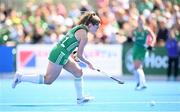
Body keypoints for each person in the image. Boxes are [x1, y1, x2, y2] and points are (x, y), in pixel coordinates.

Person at [12, 12, 101, 104]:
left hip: (61, 52)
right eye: (97, 27)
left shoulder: (79, 27)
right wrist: (90, 64)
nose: (97, 29)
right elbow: (80, 56)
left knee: (78, 72)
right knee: (48, 80)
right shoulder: (85, 36)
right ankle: (21, 77)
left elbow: (70, 44)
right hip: (60, 55)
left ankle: (80, 98)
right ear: (90, 25)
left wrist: (73, 52)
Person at [130, 15, 156, 90]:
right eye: (139, 20)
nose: (140, 21)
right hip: (136, 49)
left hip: (143, 50)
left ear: (144, 21)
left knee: (139, 67)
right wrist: (133, 38)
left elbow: (153, 37)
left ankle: (143, 83)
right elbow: (131, 35)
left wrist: (151, 44)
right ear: (137, 21)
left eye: (141, 20)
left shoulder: (146, 30)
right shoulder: (135, 29)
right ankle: (139, 83)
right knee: (135, 67)